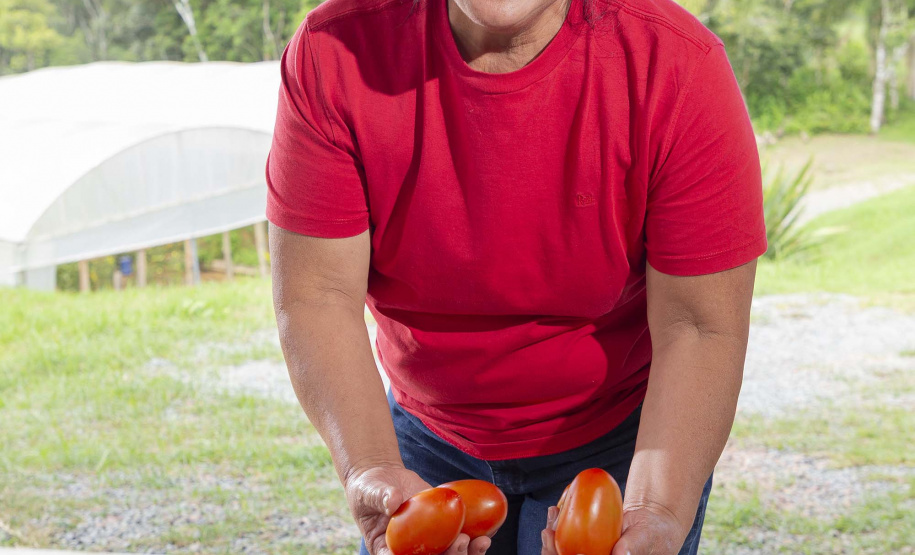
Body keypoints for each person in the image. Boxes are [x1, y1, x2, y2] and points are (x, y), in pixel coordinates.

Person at [265, 0, 766, 550]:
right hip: (423, 437)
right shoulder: (330, 53)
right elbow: (318, 297)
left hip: (624, 439)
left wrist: (660, 511)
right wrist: (370, 466)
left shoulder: (677, 64)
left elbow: (698, 326)